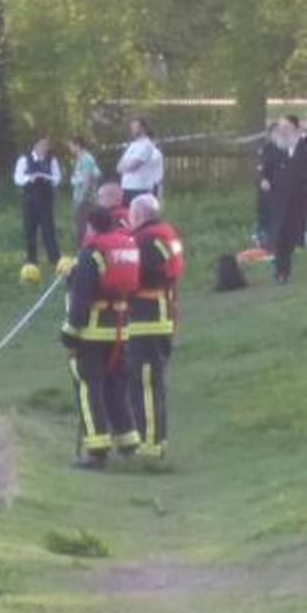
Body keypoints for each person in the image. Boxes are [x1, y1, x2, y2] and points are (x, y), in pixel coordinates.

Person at [61, 205, 142, 469]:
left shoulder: (92, 252)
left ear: (91, 226)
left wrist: (70, 333)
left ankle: (97, 451)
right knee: (116, 386)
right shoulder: (124, 248)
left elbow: (82, 296)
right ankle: (129, 441)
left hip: (92, 332)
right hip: (121, 328)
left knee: (89, 387)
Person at [126, 194, 185, 460]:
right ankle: (157, 441)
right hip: (161, 315)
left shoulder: (146, 240)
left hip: (146, 319)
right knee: (153, 384)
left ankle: (149, 447)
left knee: (146, 385)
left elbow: (140, 275)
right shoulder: (165, 234)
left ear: (138, 215)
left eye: (131, 214)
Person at [14, 136, 63, 266]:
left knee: (49, 228)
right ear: (35, 146)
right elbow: (18, 178)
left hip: (46, 198)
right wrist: (29, 179)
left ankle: (54, 258)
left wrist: (49, 179)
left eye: (46, 146)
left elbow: (57, 177)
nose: (44, 148)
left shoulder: (51, 160)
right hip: (30, 198)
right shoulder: (24, 159)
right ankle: (31, 258)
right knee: (30, 229)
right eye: (42, 145)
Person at [269, 115, 307, 284]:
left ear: (296, 129)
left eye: (287, 127)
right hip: (283, 201)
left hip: (303, 198)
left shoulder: (304, 147)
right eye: (280, 127)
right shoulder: (275, 149)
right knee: (283, 235)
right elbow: (266, 170)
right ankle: (282, 272)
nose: (283, 131)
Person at [117, 118, 162, 205]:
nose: (133, 129)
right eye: (132, 127)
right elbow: (119, 167)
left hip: (140, 188)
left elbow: (134, 165)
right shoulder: (132, 145)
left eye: (135, 127)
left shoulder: (146, 145)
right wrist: (125, 167)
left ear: (143, 128)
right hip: (127, 187)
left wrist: (125, 167)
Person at [68, 137, 101, 245]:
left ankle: (85, 252)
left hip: (85, 199)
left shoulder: (87, 159)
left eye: (71, 145)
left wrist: (82, 197)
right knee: (79, 225)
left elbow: (87, 180)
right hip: (78, 196)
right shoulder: (80, 159)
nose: (70, 148)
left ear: (77, 145)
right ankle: (82, 251)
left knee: (83, 227)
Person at [256, 122, 282, 249]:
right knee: (266, 213)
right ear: (270, 135)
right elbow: (261, 168)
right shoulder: (266, 149)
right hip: (269, 188)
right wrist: (263, 179)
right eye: (276, 132)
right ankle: (264, 236)